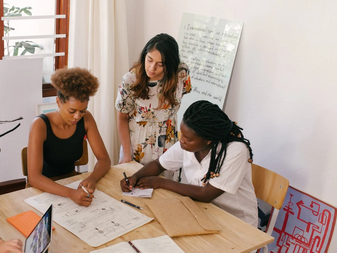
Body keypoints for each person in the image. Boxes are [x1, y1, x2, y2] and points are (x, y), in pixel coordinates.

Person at [120, 100, 258, 228]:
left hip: (236, 223)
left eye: (188, 139)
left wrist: (162, 183)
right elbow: (159, 164)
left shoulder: (235, 150)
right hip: (203, 212)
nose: (181, 141)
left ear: (208, 140)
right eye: (182, 135)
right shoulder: (188, 145)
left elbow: (206, 194)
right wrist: (135, 177)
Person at [27, 67, 111, 206]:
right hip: (43, 189)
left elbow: (104, 159)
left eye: (82, 111)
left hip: (72, 182)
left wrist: (92, 179)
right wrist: (70, 193)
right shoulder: (40, 125)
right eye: (72, 111)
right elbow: (34, 178)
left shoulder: (86, 119)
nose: (77, 117)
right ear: (59, 102)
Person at [116, 33, 192, 169]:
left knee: (167, 188)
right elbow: (122, 118)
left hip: (169, 144)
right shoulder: (130, 80)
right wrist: (127, 154)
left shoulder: (181, 74)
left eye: (160, 64)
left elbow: (178, 99)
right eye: (149, 60)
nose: (151, 68)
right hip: (138, 145)